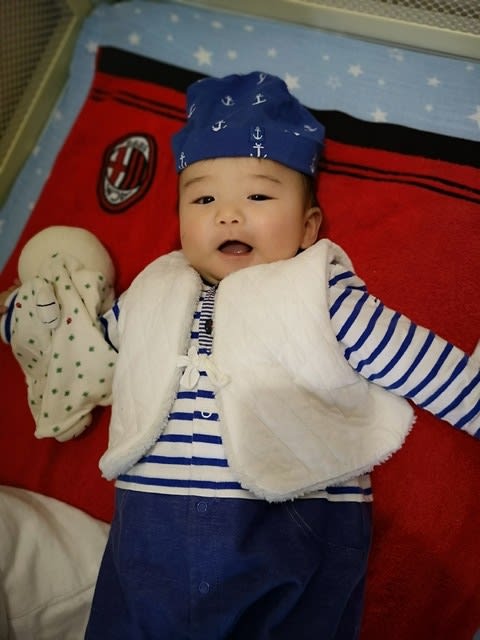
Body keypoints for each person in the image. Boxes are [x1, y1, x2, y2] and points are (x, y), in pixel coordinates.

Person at [1, 71, 479, 640]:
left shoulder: (314, 291)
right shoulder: (153, 290)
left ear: (308, 227)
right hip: (149, 524)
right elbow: (88, 355)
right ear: (180, 223)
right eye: (204, 198)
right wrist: (30, 316)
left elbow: (416, 360)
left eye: (258, 196)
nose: (228, 214)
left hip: (290, 512)